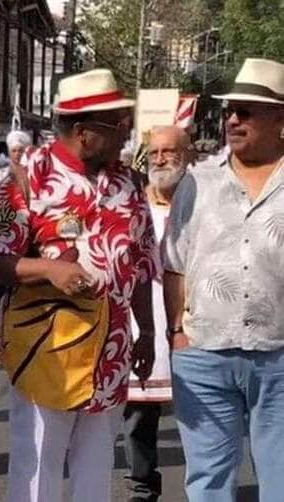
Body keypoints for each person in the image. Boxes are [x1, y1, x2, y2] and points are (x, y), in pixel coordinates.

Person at [0, 69, 157, 502]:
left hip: (110, 356)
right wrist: (49, 269)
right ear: (84, 132)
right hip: (47, 352)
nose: (127, 133)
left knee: (95, 472)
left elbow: (141, 264)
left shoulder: (129, 185)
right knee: (37, 468)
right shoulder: (22, 179)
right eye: (119, 125)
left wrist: (147, 331)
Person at [163, 57, 284, 502]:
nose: (233, 120)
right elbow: (174, 263)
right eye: (230, 110)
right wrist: (177, 334)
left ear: (280, 119)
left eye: (246, 112)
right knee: (208, 481)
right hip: (204, 353)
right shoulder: (198, 183)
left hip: (279, 354)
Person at [123, 125, 192, 502]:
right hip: (144, 318)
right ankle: (142, 486)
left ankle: (205, 487)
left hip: (192, 324)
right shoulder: (133, 207)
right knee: (138, 414)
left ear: (188, 155)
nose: (161, 159)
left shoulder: (201, 202)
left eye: (170, 152)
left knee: (201, 414)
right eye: (154, 153)